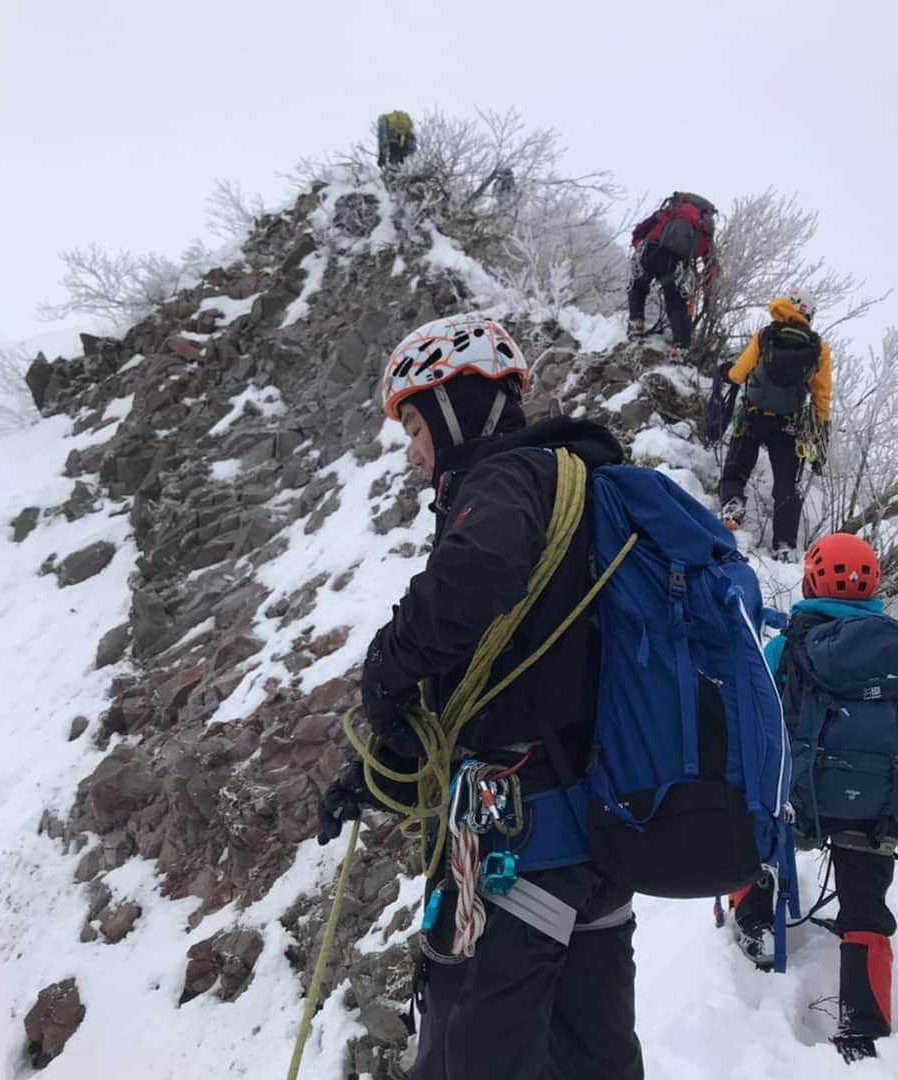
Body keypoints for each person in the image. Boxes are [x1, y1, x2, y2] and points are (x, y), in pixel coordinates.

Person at [317, 312, 643, 1080]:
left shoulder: (507, 479)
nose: (414, 454)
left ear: (457, 406)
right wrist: (375, 770)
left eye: (416, 428)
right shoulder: (583, 491)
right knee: (593, 1058)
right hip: (594, 843)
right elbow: (514, 675)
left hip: (522, 847)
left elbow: (471, 585)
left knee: (468, 1057)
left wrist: (384, 672)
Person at [729, 534, 898, 1064]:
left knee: (752, 832)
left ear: (811, 580)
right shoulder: (895, 646)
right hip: (873, 809)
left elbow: (758, 721)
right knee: (866, 905)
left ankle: (756, 924)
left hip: (800, 805)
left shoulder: (787, 645)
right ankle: (864, 1027)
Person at [717, 290, 831, 561]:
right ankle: (784, 545)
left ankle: (732, 507)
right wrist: (817, 428)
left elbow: (738, 373)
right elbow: (821, 394)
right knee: (786, 484)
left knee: (737, 465)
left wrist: (726, 372)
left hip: (754, 415)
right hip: (788, 425)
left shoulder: (765, 335)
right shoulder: (819, 348)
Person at [627, 192, 718, 354]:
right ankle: (680, 346)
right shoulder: (703, 227)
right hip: (675, 262)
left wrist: (639, 249)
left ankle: (636, 323)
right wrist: (707, 293)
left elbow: (638, 232)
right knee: (676, 301)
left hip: (651, 252)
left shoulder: (667, 213)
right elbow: (711, 263)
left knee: (638, 286)